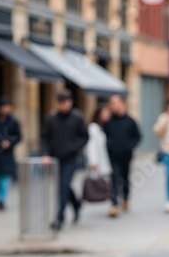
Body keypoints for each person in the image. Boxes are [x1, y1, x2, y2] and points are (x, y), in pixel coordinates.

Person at [41, 90, 89, 231]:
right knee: (63, 187)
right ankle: (76, 204)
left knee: (63, 187)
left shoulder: (77, 118)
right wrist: (45, 154)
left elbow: (85, 136)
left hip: (70, 159)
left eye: (66, 102)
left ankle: (59, 219)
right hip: (55, 159)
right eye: (61, 102)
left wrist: (74, 148)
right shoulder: (51, 119)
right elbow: (45, 137)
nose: (64, 105)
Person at [103, 94, 141, 217]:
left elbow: (137, 136)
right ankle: (114, 204)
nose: (113, 106)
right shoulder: (108, 121)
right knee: (114, 178)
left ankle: (125, 197)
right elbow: (102, 134)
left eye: (115, 103)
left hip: (126, 155)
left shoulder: (130, 121)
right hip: (113, 155)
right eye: (111, 103)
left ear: (122, 104)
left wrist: (130, 146)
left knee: (124, 178)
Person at [84, 104, 114, 209]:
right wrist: (93, 161)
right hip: (98, 161)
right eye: (105, 112)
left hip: (106, 160)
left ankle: (113, 203)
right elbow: (91, 145)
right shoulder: (93, 127)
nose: (107, 115)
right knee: (103, 182)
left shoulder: (104, 127)